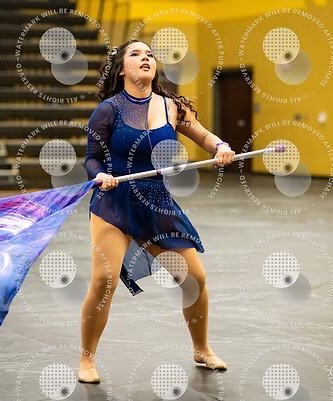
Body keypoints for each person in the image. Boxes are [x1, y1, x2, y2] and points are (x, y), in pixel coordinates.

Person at [79, 39, 235, 383]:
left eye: (150, 54)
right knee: (104, 281)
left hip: (156, 201)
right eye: (135, 54)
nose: (145, 58)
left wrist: (221, 146)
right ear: (122, 69)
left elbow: (205, 137)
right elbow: (91, 158)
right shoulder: (107, 110)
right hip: (114, 201)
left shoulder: (171, 107)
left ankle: (201, 349)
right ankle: (86, 359)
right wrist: (100, 175)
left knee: (194, 279)